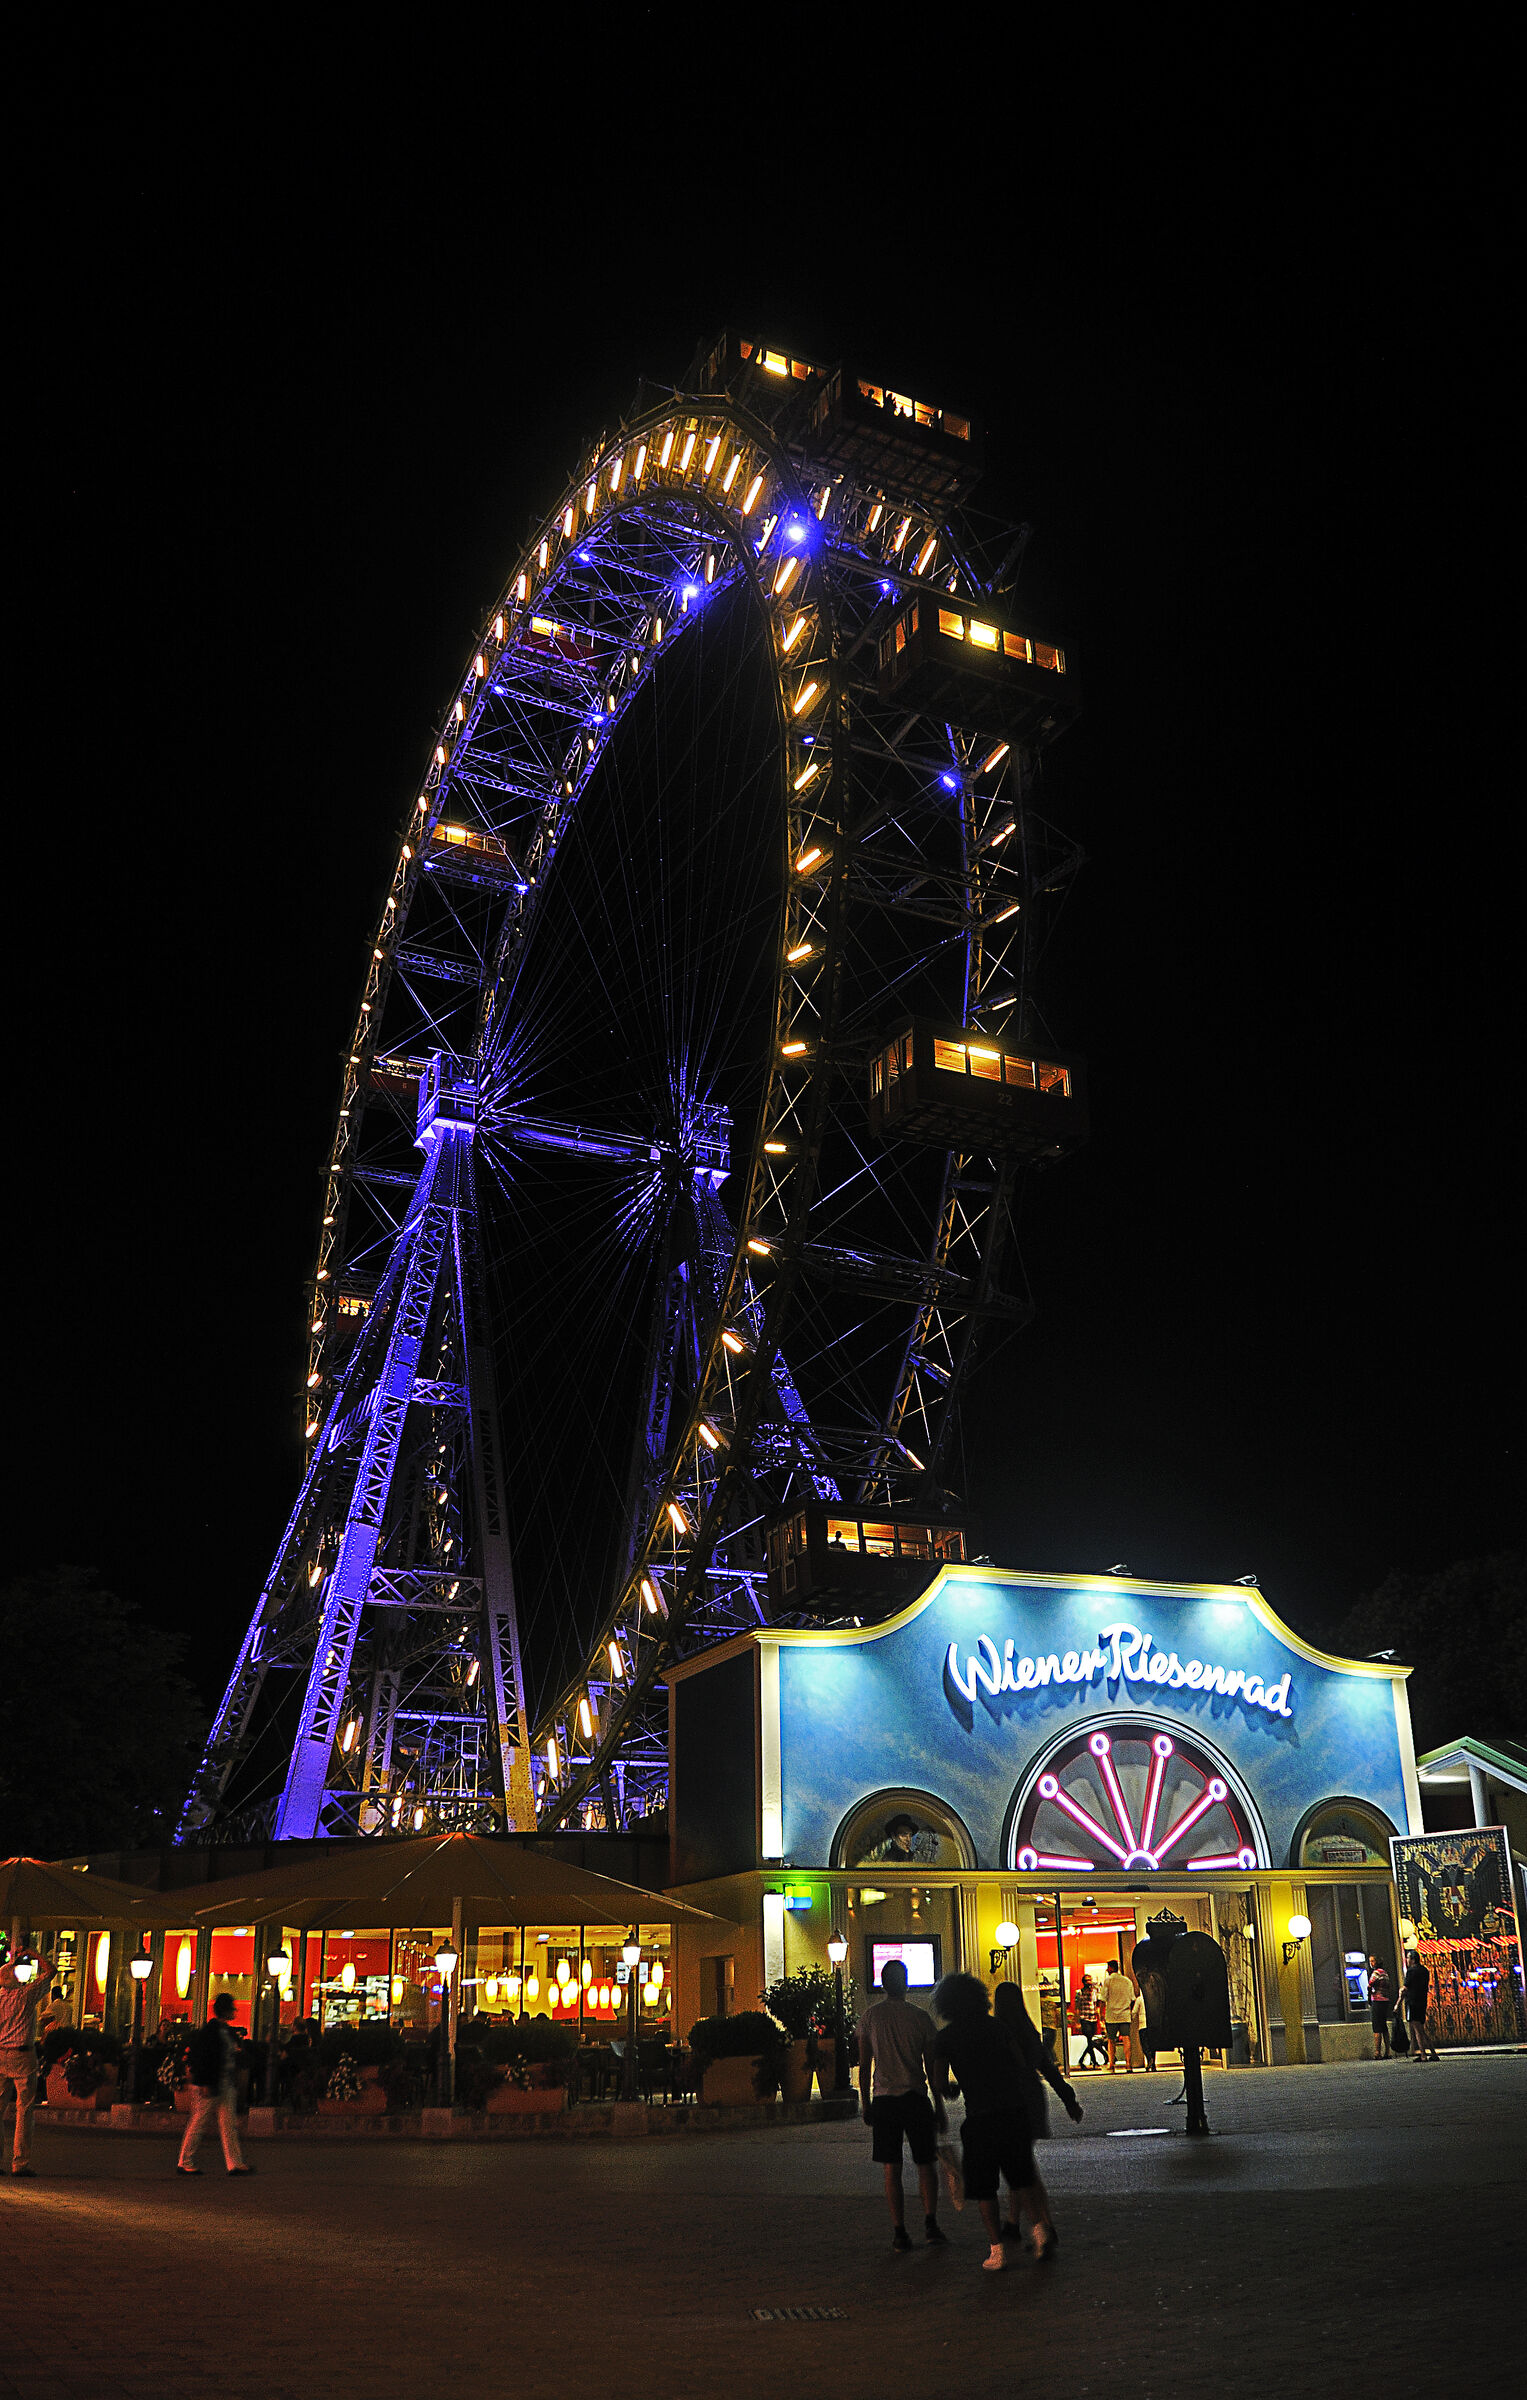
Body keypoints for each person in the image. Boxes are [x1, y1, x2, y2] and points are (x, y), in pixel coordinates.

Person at [931, 1972, 1048, 2272]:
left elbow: (941, 2083)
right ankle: (1039, 2231)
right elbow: (1020, 2062)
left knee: (984, 2188)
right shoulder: (998, 2027)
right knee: (1021, 2177)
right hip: (1013, 2111)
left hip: (980, 2118)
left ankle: (996, 2250)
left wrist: (954, 2089)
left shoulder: (945, 2038)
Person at [856, 1958, 947, 2250]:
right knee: (925, 2164)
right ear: (906, 1982)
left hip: (884, 2100)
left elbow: (864, 2063)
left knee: (891, 2169)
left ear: (883, 1984)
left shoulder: (870, 2017)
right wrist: (940, 2106)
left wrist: (865, 2102)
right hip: (915, 2098)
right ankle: (931, 2224)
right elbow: (931, 2067)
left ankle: (899, 2231)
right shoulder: (920, 2018)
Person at [991, 1982, 1082, 2249]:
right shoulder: (1029, 2032)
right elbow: (1049, 2069)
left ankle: (1044, 2223)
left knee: (1022, 2167)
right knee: (1020, 2162)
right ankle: (1012, 2222)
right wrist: (1069, 2100)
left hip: (1010, 2102)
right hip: (1032, 2097)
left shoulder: (999, 2032)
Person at [176, 1994, 253, 2176]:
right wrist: (204, 2083)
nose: (235, 2011)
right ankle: (185, 2161)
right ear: (226, 2010)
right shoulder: (213, 2032)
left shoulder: (221, 2031)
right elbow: (205, 2059)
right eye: (232, 2008)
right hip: (213, 2082)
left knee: (227, 2124)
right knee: (200, 2121)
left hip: (222, 2081)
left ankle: (234, 2163)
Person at [0, 1945, 55, 2178]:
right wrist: (34, 1955)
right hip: (22, 2054)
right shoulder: (25, 1996)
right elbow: (50, 1972)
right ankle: (20, 2162)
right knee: (25, 2109)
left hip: (0, 2053)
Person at [1403, 1950, 1438, 2062]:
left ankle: (1423, 2054)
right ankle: (1432, 2053)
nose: (1407, 1960)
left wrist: (1398, 2002)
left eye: (1408, 1958)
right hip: (1422, 2001)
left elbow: (1405, 1987)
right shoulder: (1424, 1970)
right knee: (1420, 2028)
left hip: (1412, 2002)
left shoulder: (1411, 1971)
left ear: (1412, 1959)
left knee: (1417, 2029)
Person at [1103, 1963, 1136, 2072]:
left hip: (1111, 2015)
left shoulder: (1108, 1980)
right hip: (1125, 2014)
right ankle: (1128, 2063)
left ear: (1111, 1968)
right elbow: (1132, 1999)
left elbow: (1103, 1998)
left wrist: (1101, 2014)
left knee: (1111, 2040)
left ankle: (1111, 2063)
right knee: (1126, 2038)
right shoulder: (1127, 1981)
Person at [1367, 1955, 1393, 2058]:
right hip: (1385, 2001)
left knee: (1377, 2027)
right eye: (1370, 1961)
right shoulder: (1385, 1973)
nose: (1371, 1963)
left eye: (1373, 1961)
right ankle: (1388, 2051)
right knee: (1384, 2026)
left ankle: (1377, 2052)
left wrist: (1369, 1997)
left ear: (1377, 1962)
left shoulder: (1376, 1973)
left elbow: (1369, 1985)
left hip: (1377, 2001)